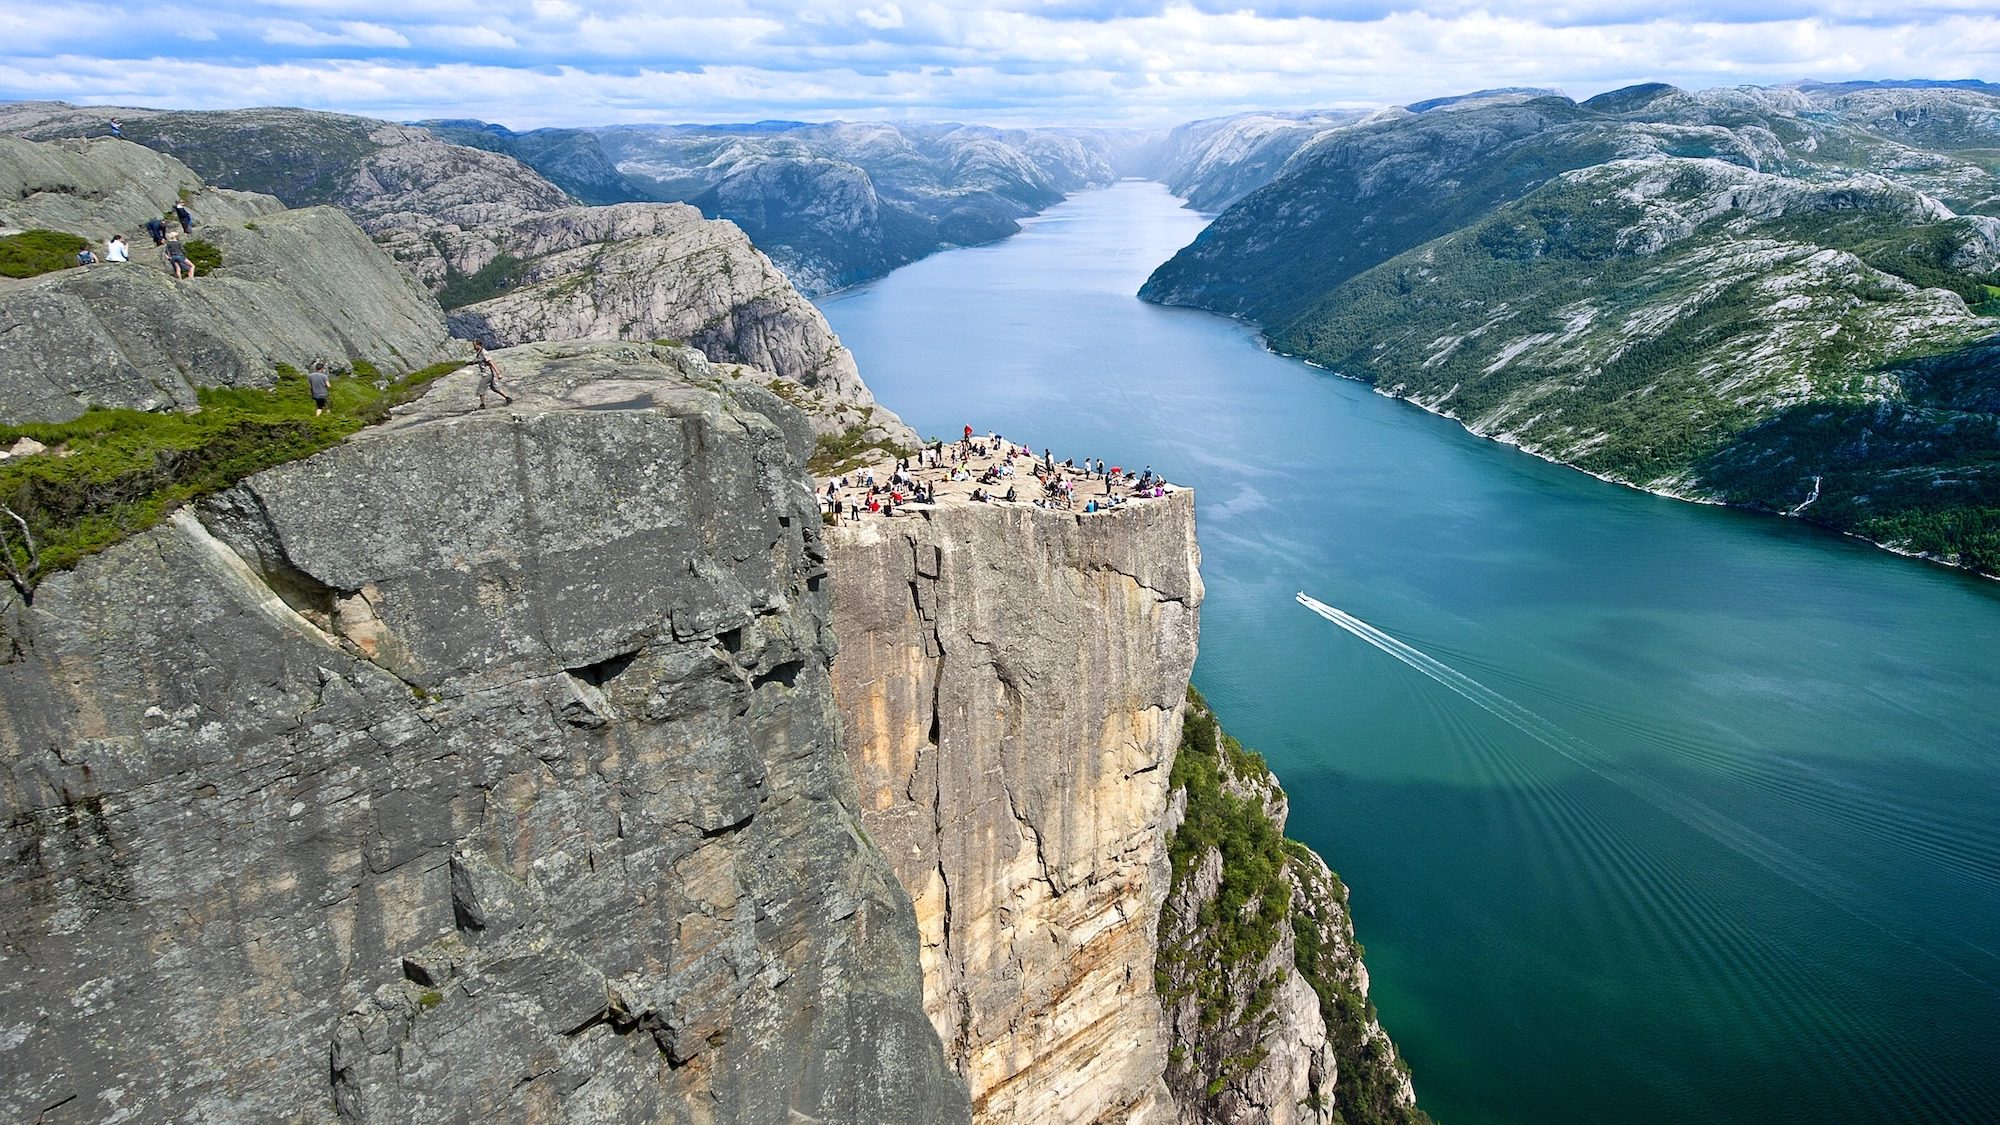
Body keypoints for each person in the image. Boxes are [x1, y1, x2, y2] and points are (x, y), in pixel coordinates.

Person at [472, 341, 513, 408]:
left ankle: (482, 405)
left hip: (487, 374)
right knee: (495, 388)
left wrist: (498, 373)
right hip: (489, 374)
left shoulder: (484, 352)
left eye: (474, 345)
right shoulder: (479, 352)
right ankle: (508, 398)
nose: (474, 347)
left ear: (478, 345)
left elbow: (491, 363)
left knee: (481, 389)